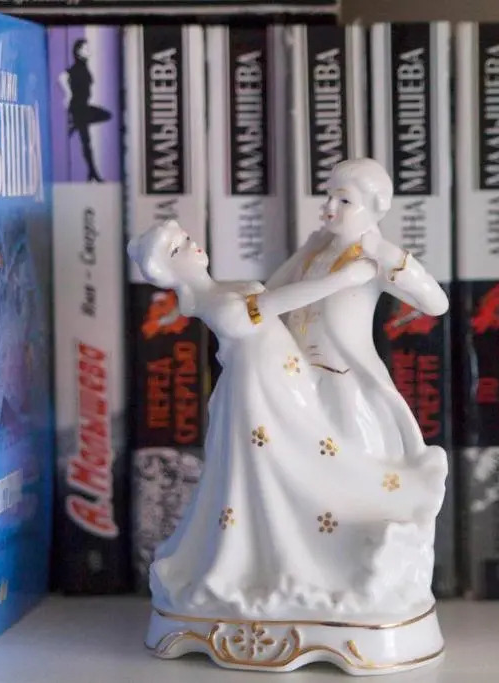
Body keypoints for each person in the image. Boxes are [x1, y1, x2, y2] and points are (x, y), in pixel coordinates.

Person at [127, 219, 446, 620]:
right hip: (262, 397)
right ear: (168, 272)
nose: (192, 246)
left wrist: (310, 250)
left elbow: (277, 286)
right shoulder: (215, 304)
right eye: (178, 249)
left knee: (316, 453)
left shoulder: (223, 287)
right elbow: (277, 302)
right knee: (289, 467)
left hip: (288, 381)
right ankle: (293, 558)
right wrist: (343, 279)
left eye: (187, 239)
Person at [266, 157, 449, 466]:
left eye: (345, 200)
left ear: (378, 206)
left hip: (343, 377)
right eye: (328, 196)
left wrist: (394, 258)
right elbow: (271, 292)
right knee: (296, 459)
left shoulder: (374, 258)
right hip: (296, 374)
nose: (330, 206)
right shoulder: (317, 249)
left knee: (356, 459)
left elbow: (436, 304)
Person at [57, 38, 111, 182]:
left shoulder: (84, 66)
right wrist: (68, 94)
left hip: (83, 107)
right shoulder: (77, 67)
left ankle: (75, 124)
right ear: (79, 51)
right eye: (86, 49)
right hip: (78, 107)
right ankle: (93, 174)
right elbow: (62, 77)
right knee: (86, 142)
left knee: (106, 115)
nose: (89, 51)